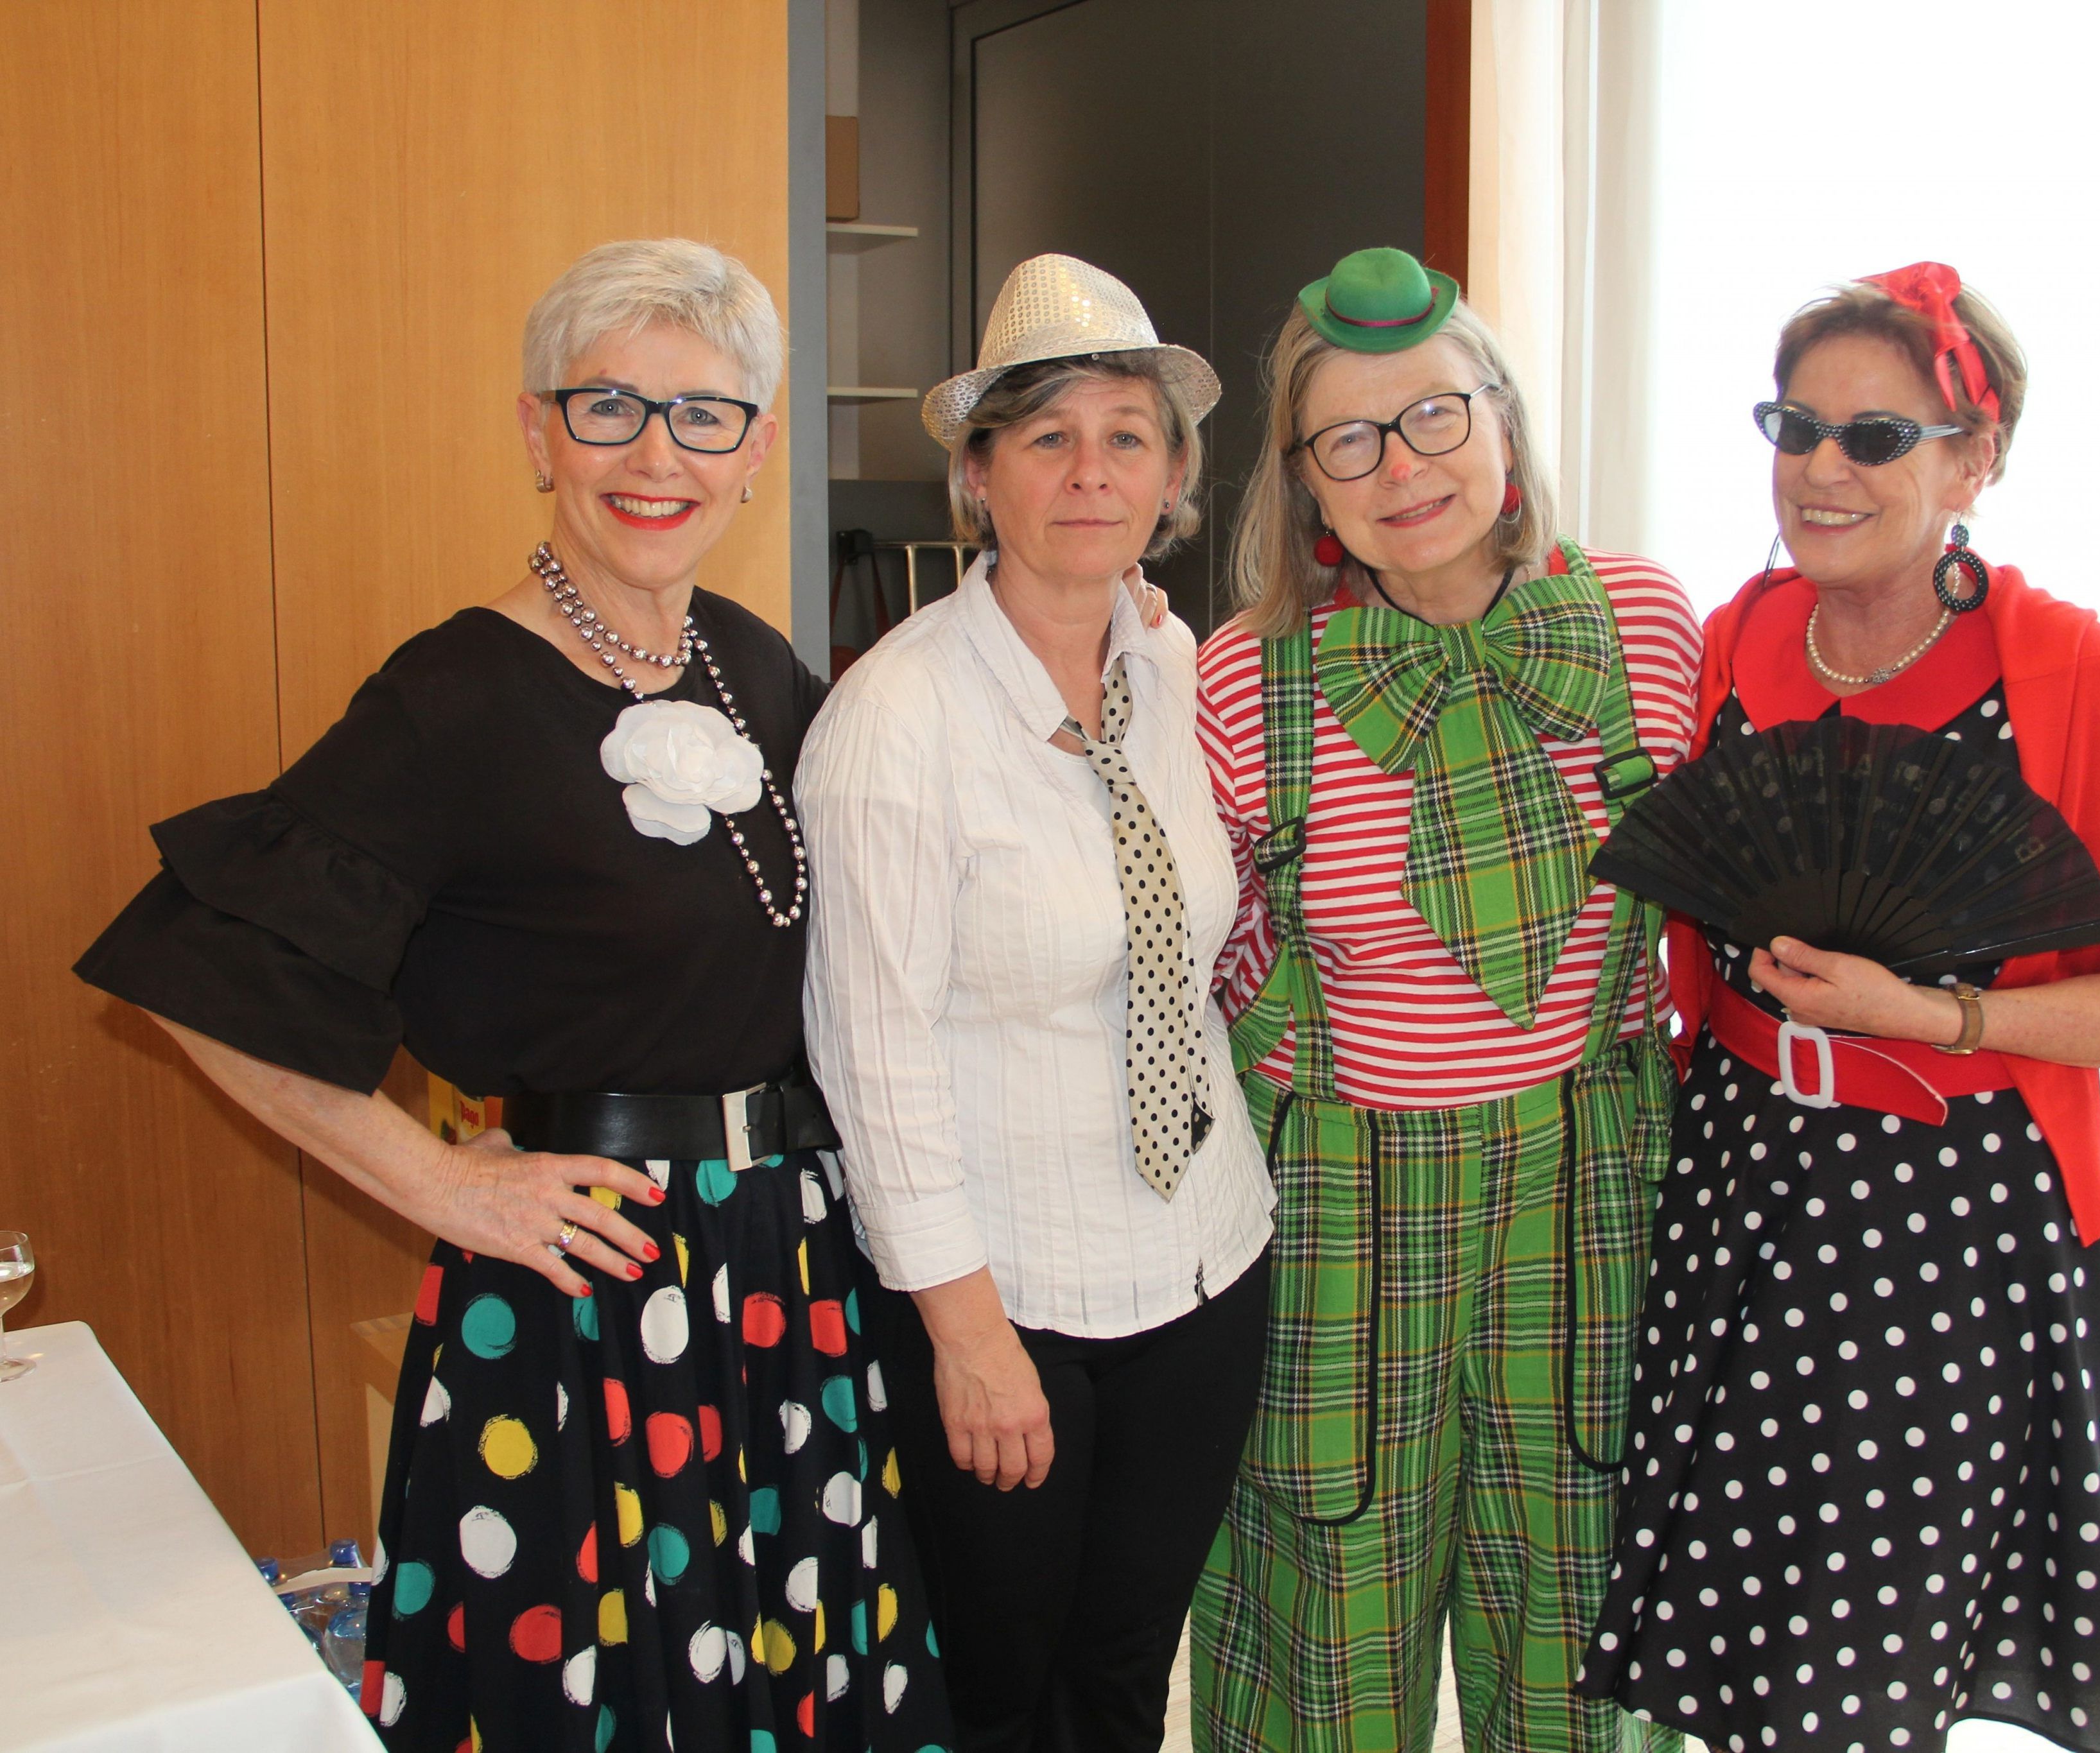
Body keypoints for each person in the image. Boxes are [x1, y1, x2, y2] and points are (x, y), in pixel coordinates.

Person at [73, 239, 954, 1752]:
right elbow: (198, 970)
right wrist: (437, 1181)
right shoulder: (455, 694)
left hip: (780, 1280)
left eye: (705, 414)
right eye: (607, 405)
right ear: (537, 431)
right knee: (611, 1695)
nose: (655, 453)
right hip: (590, 1302)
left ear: (754, 452)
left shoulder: (753, 662)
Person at [1575, 263, 2100, 1753]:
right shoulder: (1733, 643)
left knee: (1856, 1678)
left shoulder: (2064, 674)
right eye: (1794, 425)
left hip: (1953, 1221)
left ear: (1973, 462)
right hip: (1740, 1180)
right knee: (1735, 1643)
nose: (1820, 466)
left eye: (1875, 437)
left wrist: (1935, 1015)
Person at [1187, 246, 1703, 1752]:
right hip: (1341, 1191)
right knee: (1325, 1589)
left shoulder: (1649, 623)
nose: (1400, 466)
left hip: (1594, 1173)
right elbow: (1204, 962)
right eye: (1348, 440)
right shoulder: (1243, 682)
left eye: (1433, 416)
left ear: (1504, 421)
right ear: (1306, 486)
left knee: (1583, 1584)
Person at [797, 254, 1275, 1753]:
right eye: (1047, 434)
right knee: (1001, 1689)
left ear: (1174, 476)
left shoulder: (1174, 666)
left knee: (1128, 1668)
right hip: (1009, 1299)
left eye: (1128, 434)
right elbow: (872, 1063)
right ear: (979, 474)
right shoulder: (896, 717)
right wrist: (968, 1335)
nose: (1091, 470)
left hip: (1205, 1258)